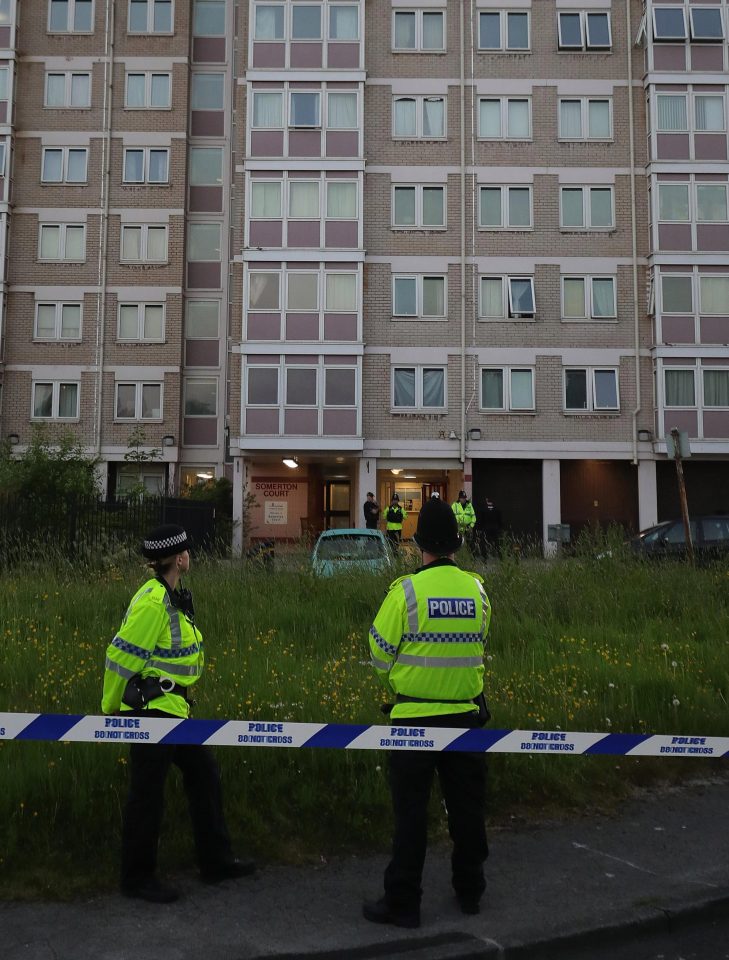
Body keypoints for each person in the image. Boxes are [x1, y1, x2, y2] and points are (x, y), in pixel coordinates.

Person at [101, 523, 255, 903]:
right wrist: (110, 709)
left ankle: (215, 862)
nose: (191, 557)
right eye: (188, 551)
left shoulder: (170, 597)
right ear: (180, 557)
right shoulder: (154, 602)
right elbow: (120, 657)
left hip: (173, 711)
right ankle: (137, 879)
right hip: (152, 713)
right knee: (147, 794)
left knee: (203, 774)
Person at [363, 497, 492, 928]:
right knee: (468, 810)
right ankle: (470, 890)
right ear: (456, 545)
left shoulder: (406, 592)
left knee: (412, 816)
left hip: (413, 722)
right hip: (466, 720)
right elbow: (480, 640)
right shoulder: (476, 589)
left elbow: (378, 654)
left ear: (421, 546)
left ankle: (403, 903)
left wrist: (401, 681)